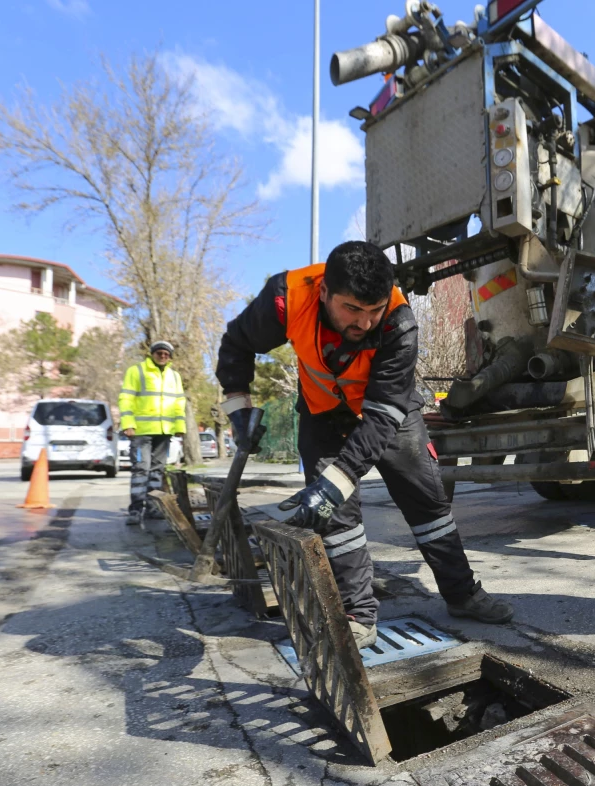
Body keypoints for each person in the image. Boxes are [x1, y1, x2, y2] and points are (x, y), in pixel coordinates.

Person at [216, 241, 514, 648]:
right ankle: (359, 614)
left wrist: (334, 481)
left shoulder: (399, 321)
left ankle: (462, 594)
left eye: (373, 311)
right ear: (324, 293)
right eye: (351, 310)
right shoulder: (286, 299)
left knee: (428, 504)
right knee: (335, 519)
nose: (365, 322)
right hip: (323, 413)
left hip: (388, 415)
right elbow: (236, 343)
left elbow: (382, 417)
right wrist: (238, 406)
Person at [119, 341, 186, 525]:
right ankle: (135, 509)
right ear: (152, 354)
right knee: (141, 469)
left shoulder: (174, 376)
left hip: (164, 432)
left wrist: (180, 427)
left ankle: (152, 508)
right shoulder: (137, 371)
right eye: (159, 353)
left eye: (166, 353)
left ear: (170, 356)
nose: (163, 356)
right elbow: (126, 398)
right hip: (141, 432)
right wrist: (128, 423)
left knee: (157, 471)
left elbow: (179, 403)